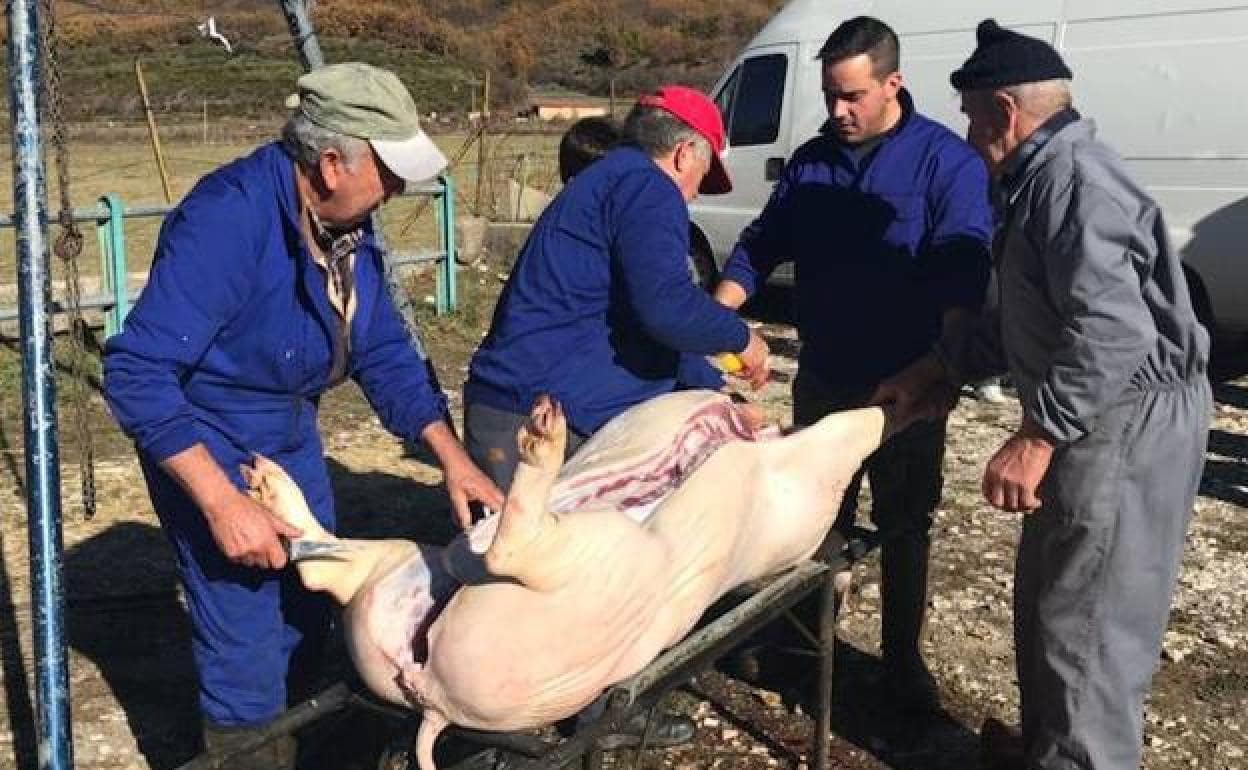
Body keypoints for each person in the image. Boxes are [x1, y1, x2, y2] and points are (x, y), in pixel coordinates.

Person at [103, 62, 503, 769]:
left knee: (311, 595)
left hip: (288, 428)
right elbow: (137, 373)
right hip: (209, 432)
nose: (401, 188)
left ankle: (301, 739)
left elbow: (383, 350)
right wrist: (222, 503)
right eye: (389, 170)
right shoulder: (227, 220)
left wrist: (453, 458)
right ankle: (248, 749)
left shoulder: (347, 226)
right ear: (329, 164)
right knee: (247, 632)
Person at [876, 20, 1211, 770]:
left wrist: (1038, 434)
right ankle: (1047, 745)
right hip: (1092, 407)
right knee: (1050, 594)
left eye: (970, 118)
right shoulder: (1035, 181)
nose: (966, 137)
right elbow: (1027, 317)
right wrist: (939, 368)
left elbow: (1112, 330)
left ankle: (1080, 755)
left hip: (1125, 416)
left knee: (1090, 621)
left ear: (1003, 111)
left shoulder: (1074, 182)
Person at [713, 16, 993, 712]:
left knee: (905, 522)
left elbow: (964, 267)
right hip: (827, 374)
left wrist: (946, 366)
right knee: (811, 519)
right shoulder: (812, 161)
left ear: (892, 83)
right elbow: (762, 241)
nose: (838, 111)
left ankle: (903, 664)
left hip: (907, 386)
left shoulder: (945, 163)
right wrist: (721, 309)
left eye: (853, 96)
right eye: (830, 95)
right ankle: (803, 647)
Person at [464, 85, 769, 492]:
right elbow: (668, 307)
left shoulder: (609, 181)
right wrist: (743, 338)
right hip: (536, 421)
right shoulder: (649, 189)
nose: (695, 192)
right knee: (526, 553)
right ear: (684, 154)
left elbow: (639, 322)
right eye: (703, 173)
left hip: (516, 408)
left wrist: (714, 390)